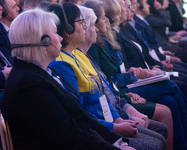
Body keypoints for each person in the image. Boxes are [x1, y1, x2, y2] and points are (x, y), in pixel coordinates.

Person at [0, 8, 135, 150]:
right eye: (55, 32)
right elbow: (68, 138)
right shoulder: (28, 86)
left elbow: (81, 117)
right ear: (43, 41)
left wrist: (117, 142)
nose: (60, 38)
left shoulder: (40, 73)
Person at [48, 2, 166, 150]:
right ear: (68, 29)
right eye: (81, 22)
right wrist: (114, 127)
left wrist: (117, 119)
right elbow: (81, 113)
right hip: (97, 130)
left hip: (108, 121)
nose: (86, 27)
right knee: (156, 143)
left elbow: (102, 93)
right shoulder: (61, 64)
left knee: (160, 137)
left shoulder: (78, 55)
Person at [86, 0, 187, 149]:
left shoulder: (113, 35)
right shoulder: (97, 44)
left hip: (123, 87)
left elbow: (118, 71)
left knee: (169, 100)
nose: (130, 10)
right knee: (171, 84)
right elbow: (109, 81)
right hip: (122, 91)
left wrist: (137, 71)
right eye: (103, 18)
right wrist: (133, 80)